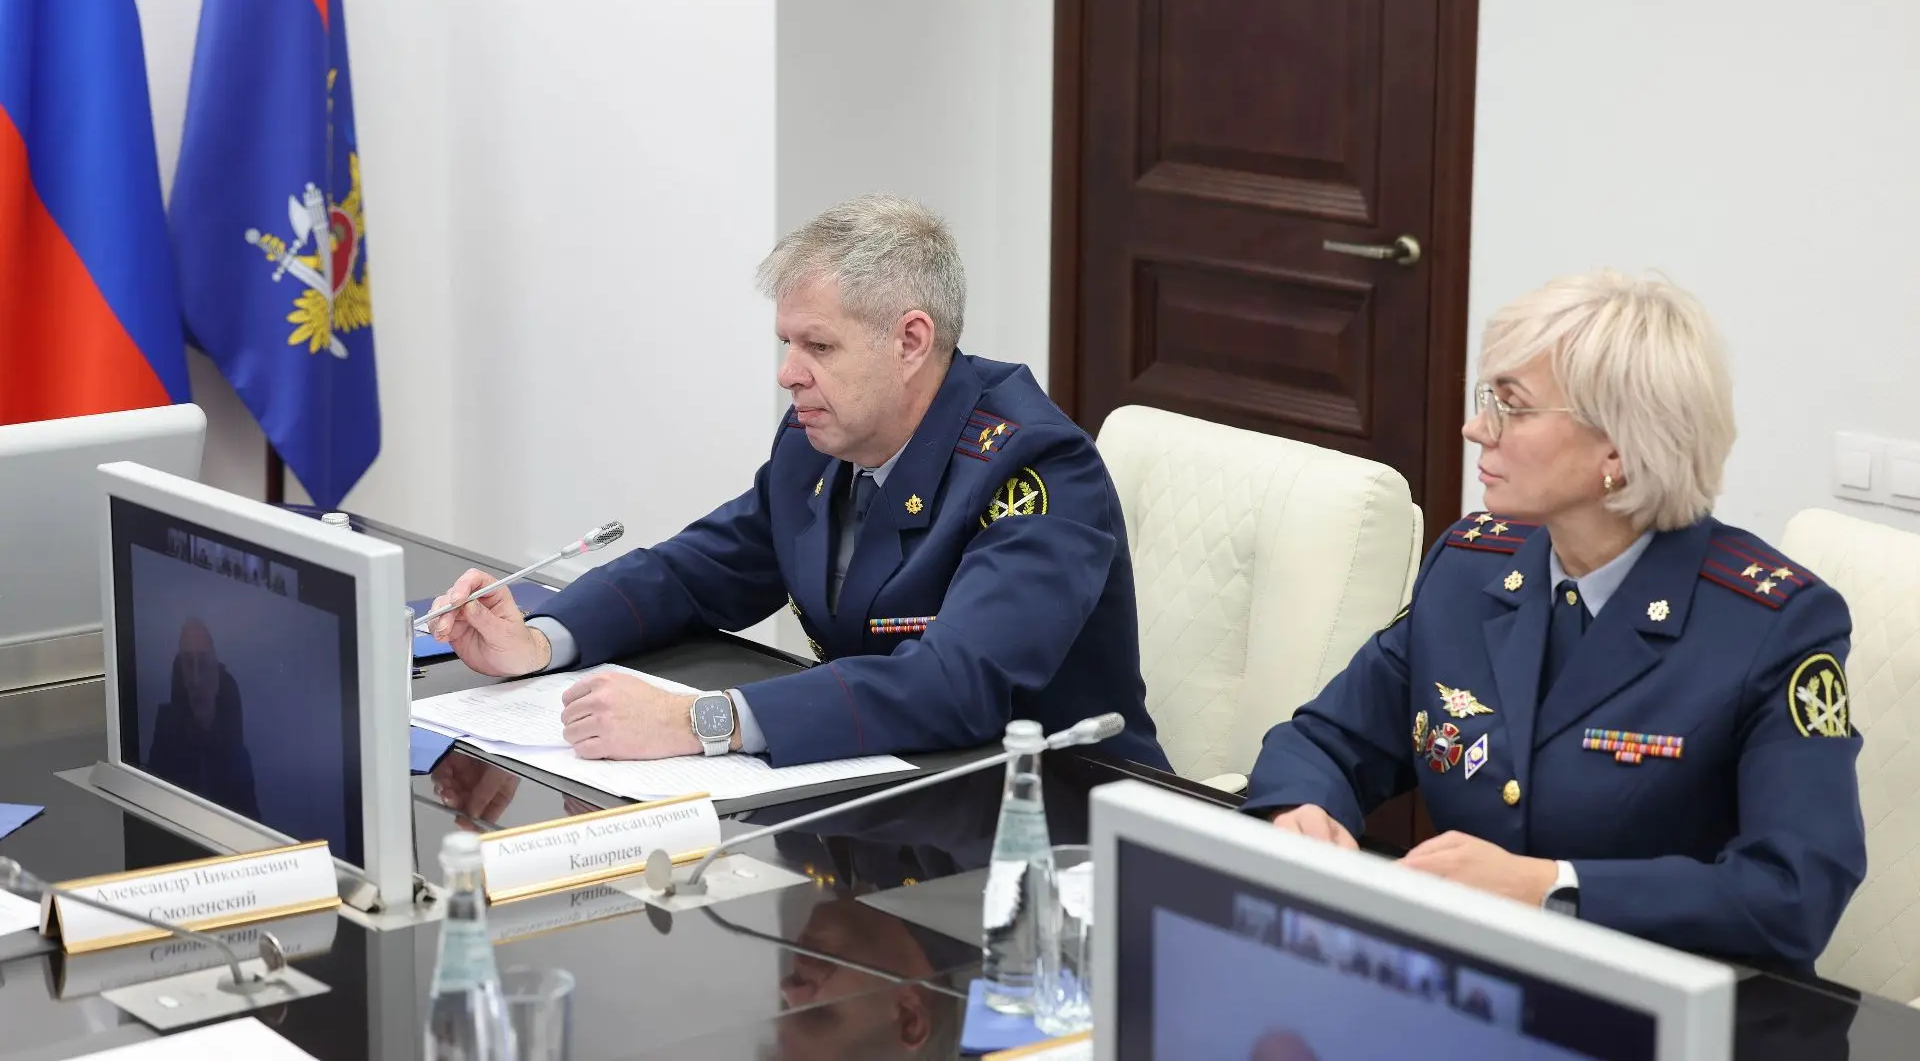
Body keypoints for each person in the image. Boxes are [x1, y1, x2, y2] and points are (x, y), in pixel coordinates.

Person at [1242, 271, 1866, 968]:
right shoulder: (1470, 569)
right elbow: (1325, 740)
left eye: (1512, 406)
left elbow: (1795, 891)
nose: (1476, 428)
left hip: (1661, 1004)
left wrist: (1551, 887)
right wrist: (1301, 811)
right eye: (1487, 400)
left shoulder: (1772, 625)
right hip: (1467, 983)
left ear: (1618, 448)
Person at [428, 195, 1165, 770]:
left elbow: (955, 683)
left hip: (1060, 815)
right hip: (886, 786)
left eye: (819, 345)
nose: (788, 374)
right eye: (787, 342)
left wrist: (701, 721)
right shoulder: (823, 439)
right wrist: (539, 642)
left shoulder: (1033, 467)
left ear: (911, 341)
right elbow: (696, 572)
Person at [146, 619, 261, 820]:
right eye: (188, 663)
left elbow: (252, 825)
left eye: (204, 663)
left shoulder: (237, 757)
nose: (196, 679)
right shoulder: (166, 733)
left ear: (217, 673)